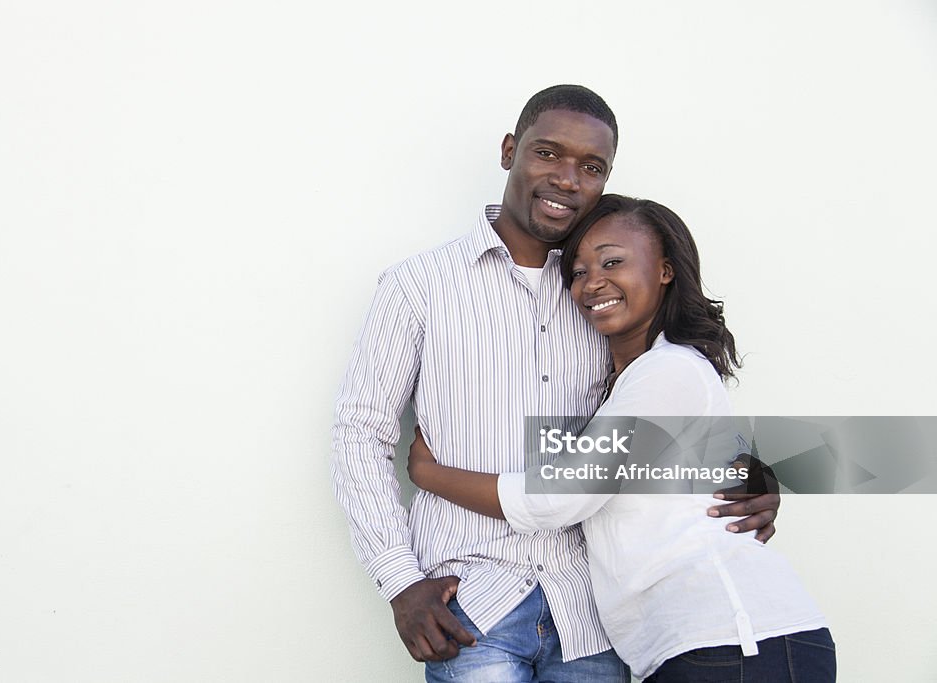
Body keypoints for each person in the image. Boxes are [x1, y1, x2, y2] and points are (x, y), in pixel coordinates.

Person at [331, 85, 781, 682]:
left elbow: (661, 422)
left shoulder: (606, 295)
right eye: (549, 153)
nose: (569, 179)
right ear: (510, 151)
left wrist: (748, 474)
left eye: (591, 167)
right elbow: (361, 434)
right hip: (472, 601)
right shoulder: (419, 285)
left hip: (592, 615)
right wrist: (399, 581)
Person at [407, 195, 836, 682]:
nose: (593, 283)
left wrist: (428, 472)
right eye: (578, 271)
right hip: (699, 647)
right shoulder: (637, 384)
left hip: (733, 640)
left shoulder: (668, 371)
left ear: (666, 271)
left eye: (613, 262)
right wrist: (758, 472)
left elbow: (557, 497)